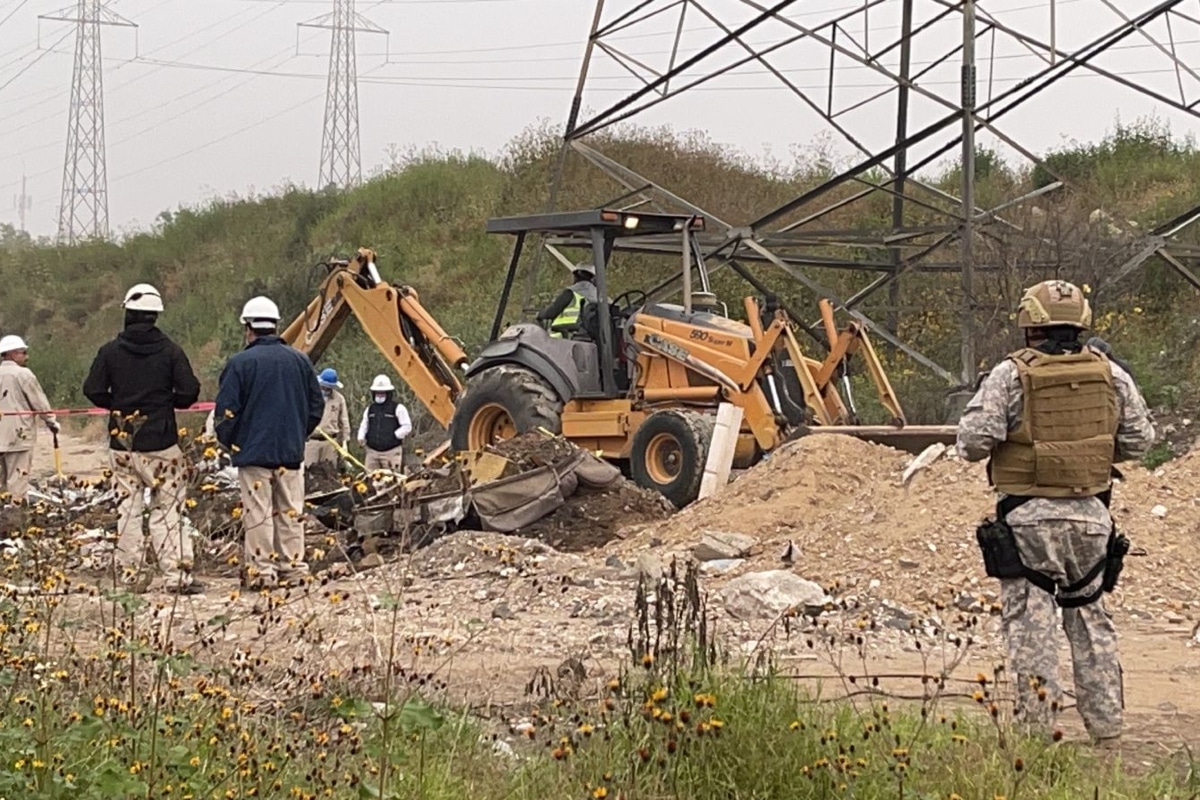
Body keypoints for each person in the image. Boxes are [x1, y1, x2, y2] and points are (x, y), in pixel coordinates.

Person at [957, 279, 1155, 746]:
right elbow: (1140, 441)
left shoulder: (1010, 373)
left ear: (1030, 325)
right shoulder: (1113, 374)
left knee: (1032, 628)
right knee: (1091, 621)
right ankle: (1107, 728)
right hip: (1091, 517)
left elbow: (972, 442)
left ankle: (1037, 734)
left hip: (1028, 519)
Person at [83, 284, 202, 594]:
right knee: (169, 509)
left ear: (128, 313)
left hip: (122, 444)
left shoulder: (109, 352)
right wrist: (163, 403)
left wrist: (119, 405)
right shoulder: (171, 351)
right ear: (155, 316)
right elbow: (189, 392)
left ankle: (132, 576)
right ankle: (177, 576)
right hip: (162, 444)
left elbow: (92, 389)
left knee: (128, 510)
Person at [214, 296, 324, 590]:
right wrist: (299, 433)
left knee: (258, 513)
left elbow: (226, 413)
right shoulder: (300, 361)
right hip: (290, 452)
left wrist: (232, 442)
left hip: (253, 454)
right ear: (276, 326)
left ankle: (263, 572)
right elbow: (316, 405)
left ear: (248, 327)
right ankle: (293, 568)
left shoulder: (239, 364)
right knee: (291, 511)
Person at [0, 335, 58, 499]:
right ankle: (15, 518)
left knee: (3, 482)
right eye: (23, 352)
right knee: (17, 481)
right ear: (11, 354)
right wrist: (52, 422)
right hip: (19, 436)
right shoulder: (23, 374)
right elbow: (39, 402)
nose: (27, 357)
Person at [356, 374, 411, 474]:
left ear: (388, 393)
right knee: (370, 481)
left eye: (382, 393)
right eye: (377, 393)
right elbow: (364, 424)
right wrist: (361, 436)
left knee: (392, 481)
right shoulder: (370, 409)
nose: (379, 395)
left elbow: (407, 426)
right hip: (372, 453)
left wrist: (394, 435)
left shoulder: (398, 408)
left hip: (391, 452)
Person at [537, 262, 600, 338]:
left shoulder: (569, 293)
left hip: (564, 339)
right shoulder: (599, 296)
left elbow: (550, 313)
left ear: (576, 275)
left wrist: (540, 314)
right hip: (591, 339)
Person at [305, 368, 351, 469]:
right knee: (310, 472)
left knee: (329, 473)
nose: (325, 390)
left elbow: (344, 422)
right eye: (324, 387)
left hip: (330, 442)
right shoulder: (309, 397)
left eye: (328, 388)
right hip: (312, 442)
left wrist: (345, 443)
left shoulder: (339, 399)